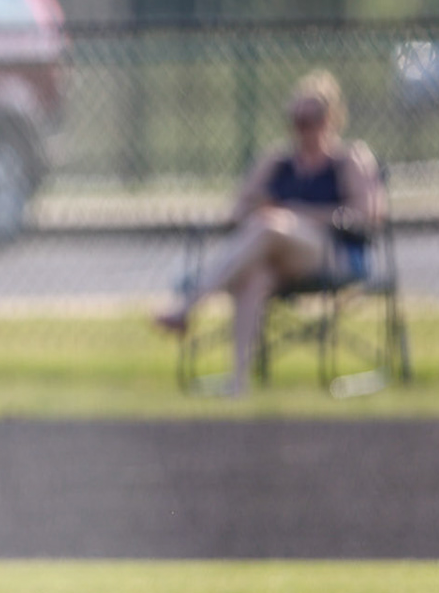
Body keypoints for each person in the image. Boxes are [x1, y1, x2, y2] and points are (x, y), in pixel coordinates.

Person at [152, 69, 382, 395]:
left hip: (334, 255)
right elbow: (239, 209)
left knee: (269, 224)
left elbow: (367, 215)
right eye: (296, 118)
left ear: (331, 117)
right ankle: (239, 382)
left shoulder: (349, 159)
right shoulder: (277, 160)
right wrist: (259, 204)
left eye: (312, 118)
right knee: (256, 275)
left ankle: (188, 304)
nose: (304, 127)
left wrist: (295, 214)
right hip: (278, 260)